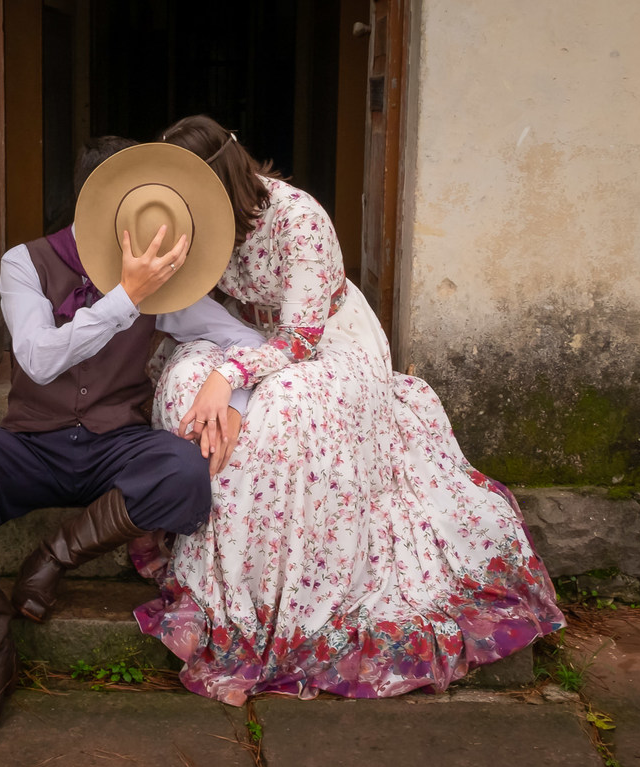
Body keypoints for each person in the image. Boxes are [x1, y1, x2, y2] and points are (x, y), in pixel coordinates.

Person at [131, 115, 565, 705]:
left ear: (221, 180)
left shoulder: (298, 217)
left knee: (284, 413)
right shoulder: (195, 222)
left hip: (325, 341)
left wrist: (229, 378)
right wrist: (213, 375)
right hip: (243, 335)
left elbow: (301, 339)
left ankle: (291, 601)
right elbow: (189, 308)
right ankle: (226, 577)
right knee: (185, 385)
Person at [0, 136, 264, 737]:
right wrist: (126, 297)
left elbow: (246, 342)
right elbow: (40, 359)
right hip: (32, 445)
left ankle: (51, 559)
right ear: (93, 205)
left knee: (183, 470)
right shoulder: (25, 263)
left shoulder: (167, 283)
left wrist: (229, 389)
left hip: (113, 448)